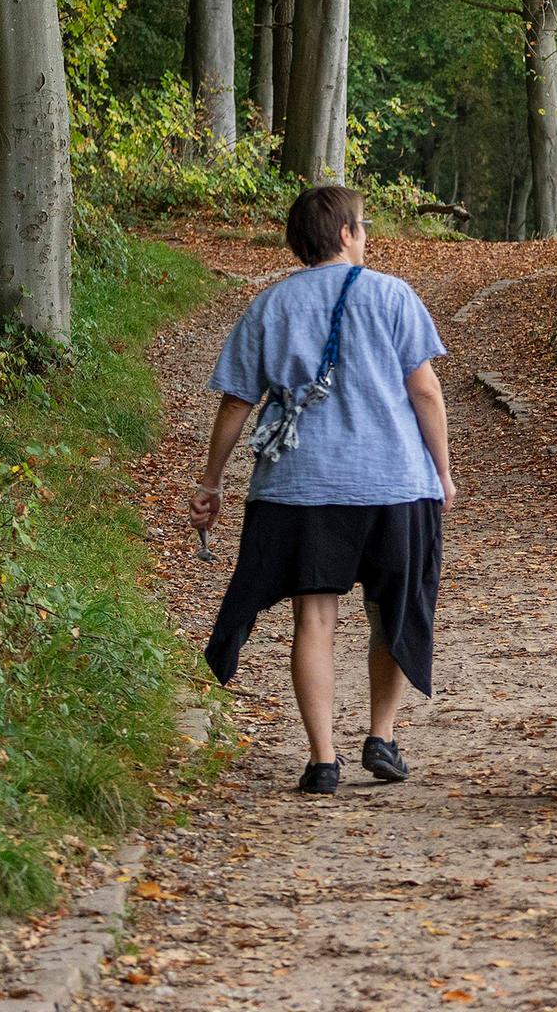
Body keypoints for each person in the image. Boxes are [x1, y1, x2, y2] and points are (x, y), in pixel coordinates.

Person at [189, 185, 457, 795]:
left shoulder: (270, 306)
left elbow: (237, 401)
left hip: (299, 487)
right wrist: (441, 470)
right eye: (362, 226)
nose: (366, 237)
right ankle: (382, 737)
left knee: (315, 617)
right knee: (390, 611)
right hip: (393, 484)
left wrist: (211, 480)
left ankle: (323, 758)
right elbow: (426, 393)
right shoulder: (392, 296)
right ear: (344, 234)